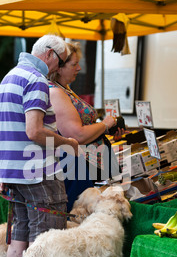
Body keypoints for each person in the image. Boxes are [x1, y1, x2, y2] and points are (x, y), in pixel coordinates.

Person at [0, 34, 81, 257]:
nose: (62, 66)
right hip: (39, 172)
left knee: (19, 237)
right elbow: (34, 131)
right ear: (51, 55)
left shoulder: (9, 77)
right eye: (63, 59)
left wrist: (3, 170)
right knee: (47, 240)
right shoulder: (37, 80)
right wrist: (67, 141)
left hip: (14, 172)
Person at [48, 41, 124, 211]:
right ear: (59, 68)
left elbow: (82, 127)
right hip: (74, 167)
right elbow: (76, 135)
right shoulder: (56, 93)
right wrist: (104, 125)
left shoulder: (65, 89)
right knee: (77, 216)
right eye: (74, 64)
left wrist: (105, 128)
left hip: (82, 164)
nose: (79, 68)